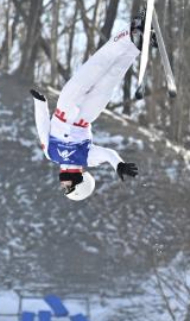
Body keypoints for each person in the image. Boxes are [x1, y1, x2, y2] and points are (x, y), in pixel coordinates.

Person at [30, 15, 147, 201]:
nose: (63, 184)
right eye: (67, 187)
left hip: (65, 107)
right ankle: (135, 45)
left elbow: (42, 127)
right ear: (79, 183)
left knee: (96, 66)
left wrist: (40, 103)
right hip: (86, 116)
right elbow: (108, 154)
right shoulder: (87, 158)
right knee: (111, 77)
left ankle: (129, 31)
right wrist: (119, 165)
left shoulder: (51, 154)